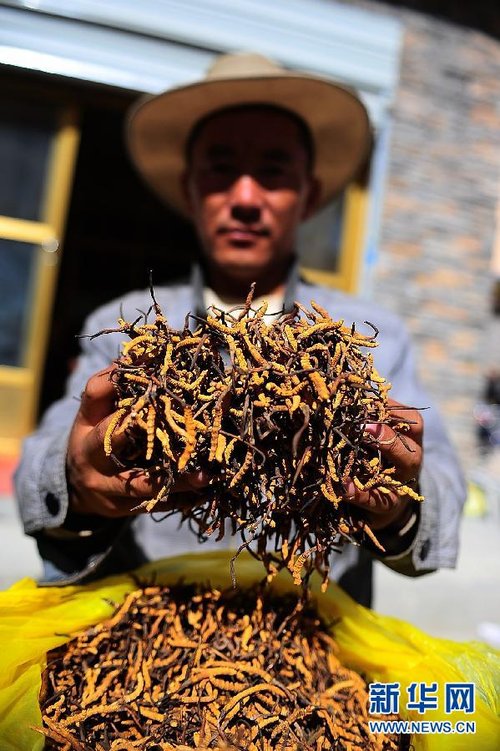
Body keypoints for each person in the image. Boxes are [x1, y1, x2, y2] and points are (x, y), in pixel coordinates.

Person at [15, 52, 466, 606]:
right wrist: (76, 477)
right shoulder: (118, 326)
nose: (246, 199)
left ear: (309, 193)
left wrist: (402, 501)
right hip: (155, 619)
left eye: (274, 172)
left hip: (315, 635)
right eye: (221, 169)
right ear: (190, 190)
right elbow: (39, 469)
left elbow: (442, 484)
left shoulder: (373, 333)